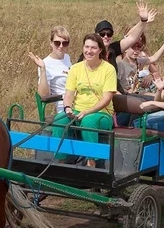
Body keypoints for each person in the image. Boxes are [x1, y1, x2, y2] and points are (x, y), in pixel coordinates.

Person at [53, 33, 118, 164]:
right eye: (86, 47)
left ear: (100, 50)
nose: (89, 51)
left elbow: (106, 99)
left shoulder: (108, 69)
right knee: (59, 120)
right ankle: (61, 161)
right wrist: (67, 108)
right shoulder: (76, 69)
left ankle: (91, 163)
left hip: (101, 114)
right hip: (78, 111)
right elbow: (69, 94)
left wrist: (87, 112)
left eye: (93, 48)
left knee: (89, 122)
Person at [27, 25, 72, 117]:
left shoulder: (67, 58)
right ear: (51, 43)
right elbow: (44, 95)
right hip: (64, 108)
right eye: (57, 43)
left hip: (78, 103)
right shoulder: (46, 63)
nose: (61, 46)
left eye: (65, 43)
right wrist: (43, 69)